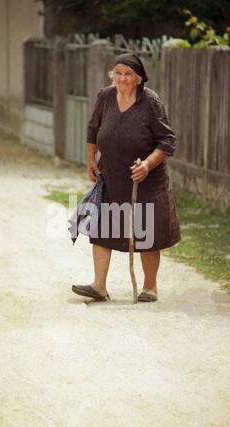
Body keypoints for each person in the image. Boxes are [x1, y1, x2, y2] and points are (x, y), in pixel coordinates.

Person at [71, 53, 180, 302]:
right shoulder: (106, 96)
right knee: (101, 227)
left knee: (146, 232)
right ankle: (99, 286)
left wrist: (149, 164)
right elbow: (93, 128)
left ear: (139, 79)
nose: (121, 78)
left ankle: (150, 287)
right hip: (111, 175)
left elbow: (167, 139)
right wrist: (90, 159)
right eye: (117, 73)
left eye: (128, 74)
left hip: (146, 179)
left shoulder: (150, 101)